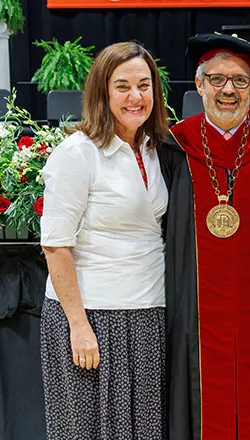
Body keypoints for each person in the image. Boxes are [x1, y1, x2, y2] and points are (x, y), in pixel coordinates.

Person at [158, 33, 250, 440]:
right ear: (199, 85)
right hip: (195, 309)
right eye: (216, 79)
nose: (227, 90)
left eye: (239, 80)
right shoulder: (175, 147)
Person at [40, 41, 169, 439]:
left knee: (145, 431)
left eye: (144, 85)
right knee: (88, 431)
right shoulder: (77, 153)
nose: (136, 97)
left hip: (148, 313)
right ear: (102, 91)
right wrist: (78, 326)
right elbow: (56, 246)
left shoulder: (154, 148)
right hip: (93, 316)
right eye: (123, 86)